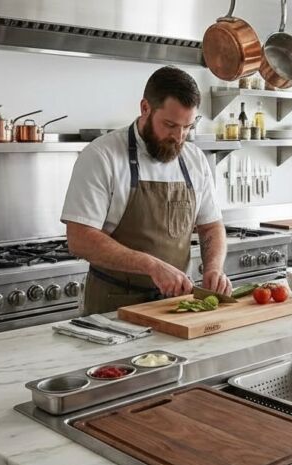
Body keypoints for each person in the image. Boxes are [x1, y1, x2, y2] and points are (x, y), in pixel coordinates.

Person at [61, 66, 231, 315]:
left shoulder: (195, 159)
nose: (179, 136)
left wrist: (213, 268)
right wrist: (150, 265)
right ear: (145, 108)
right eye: (170, 124)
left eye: (187, 127)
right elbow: (80, 239)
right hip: (114, 306)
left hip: (175, 306)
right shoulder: (101, 156)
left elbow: (210, 226)